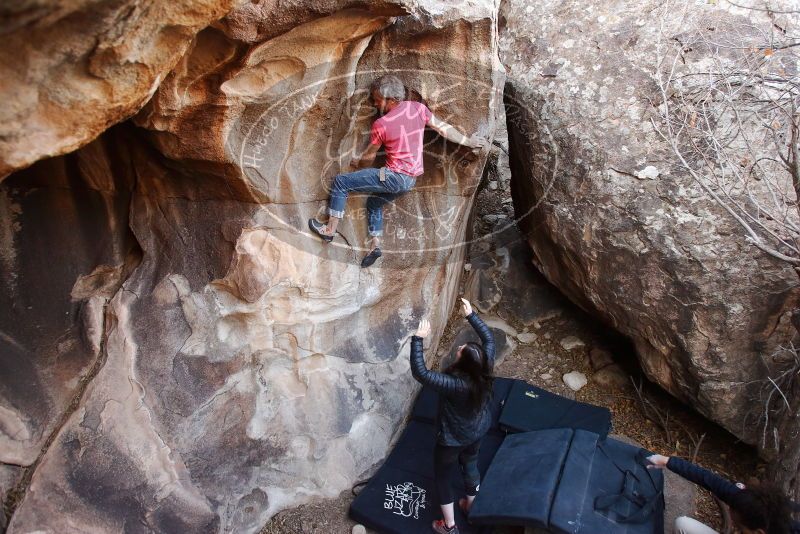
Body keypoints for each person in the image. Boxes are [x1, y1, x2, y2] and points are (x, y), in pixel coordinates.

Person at [308, 74, 488, 268]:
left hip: (393, 177)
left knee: (341, 183)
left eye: (378, 100)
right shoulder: (418, 109)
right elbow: (444, 129)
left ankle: (329, 229)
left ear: (391, 100)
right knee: (374, 204)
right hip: (409, 182)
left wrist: (358, 163)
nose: (376, 104)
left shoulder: (381, 124)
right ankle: (375, 245)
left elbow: (369, 156)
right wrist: (469, 142)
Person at [410, 297, 495, 534]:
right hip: (477, 430)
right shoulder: (485, 367)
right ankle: (470, 505)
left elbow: (422, 373)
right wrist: (471, 315)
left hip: (453, 438)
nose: (459, 348)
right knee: (470, 463)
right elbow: (488, 338)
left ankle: (449, 526)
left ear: (465, 364)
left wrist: (418, 339)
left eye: (462, 351)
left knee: (443, 477)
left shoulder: (455, 384)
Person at [646, 453, 794, 534]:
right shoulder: (751, 505)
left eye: (739, 525)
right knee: (682, 524)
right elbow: (709, 479)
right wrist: (667, 461)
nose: (733, 520)